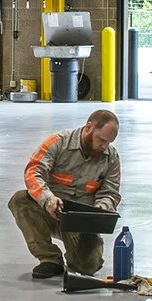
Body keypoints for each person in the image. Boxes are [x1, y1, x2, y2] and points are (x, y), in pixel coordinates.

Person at [8, 109, 120, 278]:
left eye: (109, 142)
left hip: (81, 220)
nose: (104, 146)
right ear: (89, 127)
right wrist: (48, 199)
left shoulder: (110, 157)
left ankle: (76, 256)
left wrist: (100, 211)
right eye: (101, 139)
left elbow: (110, 192)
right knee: (20, 200)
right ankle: (50, 259)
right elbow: (33, 172)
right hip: (50, 211)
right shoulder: (58, 143)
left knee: (88, 266)